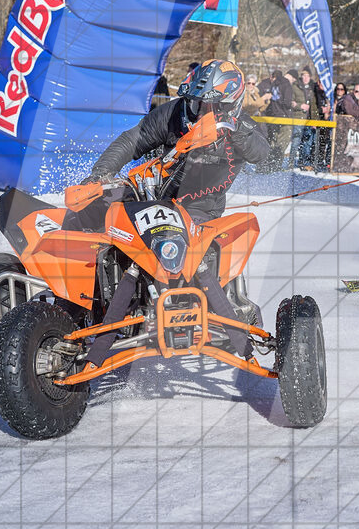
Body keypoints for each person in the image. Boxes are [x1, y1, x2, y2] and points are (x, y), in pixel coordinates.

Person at [76, 59, 268, 357]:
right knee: (102, 220)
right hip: (156, 200)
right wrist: (100, 172)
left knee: (198, 259)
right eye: (194, 104)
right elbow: (133, 140)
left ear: (230, 105)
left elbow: (261, 151)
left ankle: (222, 311)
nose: (196, 111)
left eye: (207, 106)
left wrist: (234, 130)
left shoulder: (242, 128)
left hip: (202, 210)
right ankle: (97, 307)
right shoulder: (174, 113)